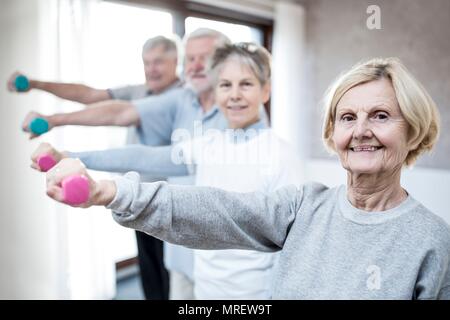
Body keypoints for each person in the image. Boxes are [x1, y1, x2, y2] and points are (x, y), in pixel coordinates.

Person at [36, 57, 450, 299]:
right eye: (347, 117)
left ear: (411, 129)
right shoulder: (303, 205)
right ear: (333, 134)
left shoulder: (430, 240)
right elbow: (218, 208)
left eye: (380, 116)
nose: (360, 130)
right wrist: (106, 188)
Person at [32, 43, 303, 299]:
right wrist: (68, 156)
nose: (234, 95)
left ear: (265, 91)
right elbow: (143, 157)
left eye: (246, 84)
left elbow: (293, 242)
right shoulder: (208, 144)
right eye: (225, 85)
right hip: (205, 289)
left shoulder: (280, 154)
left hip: (254, 295)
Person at [13, 35, 182, 300]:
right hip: (139, 198)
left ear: (176, 62)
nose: (151, 69)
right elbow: (89, 95)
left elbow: (116, 114)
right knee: (150, 271)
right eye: (146, 62)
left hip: (174, 203)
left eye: (158, 62)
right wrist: (36, 84)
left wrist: (54, 120)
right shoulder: (139, 91)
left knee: (175, 277)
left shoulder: (184, 96)